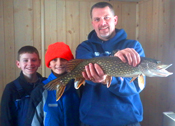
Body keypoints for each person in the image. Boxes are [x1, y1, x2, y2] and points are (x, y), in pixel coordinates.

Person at [76, 2, 145, 126]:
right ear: (93, 23)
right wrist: (114, 58)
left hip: (127, 120)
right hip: (92, 120)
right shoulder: (84, 48)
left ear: (115, 19)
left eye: (106, 17)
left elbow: (136, 87)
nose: (102, 23)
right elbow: (88, 75)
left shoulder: (133, 47)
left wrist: (110, 80)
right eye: (97, 19)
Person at [25, 42, 80, 126]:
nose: (59, 63)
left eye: (63, 59)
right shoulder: (41, 90)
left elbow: (85, 117)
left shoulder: (78, 87)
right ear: (49, 64)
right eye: (54, 60)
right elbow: (34, 122)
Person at [0, 46, 46, 126]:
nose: (30, 64)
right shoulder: (11, 89)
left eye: (33, 60)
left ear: (39, 62)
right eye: (25, 60)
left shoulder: (47, 84)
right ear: (18, 64)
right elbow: (5, 120)